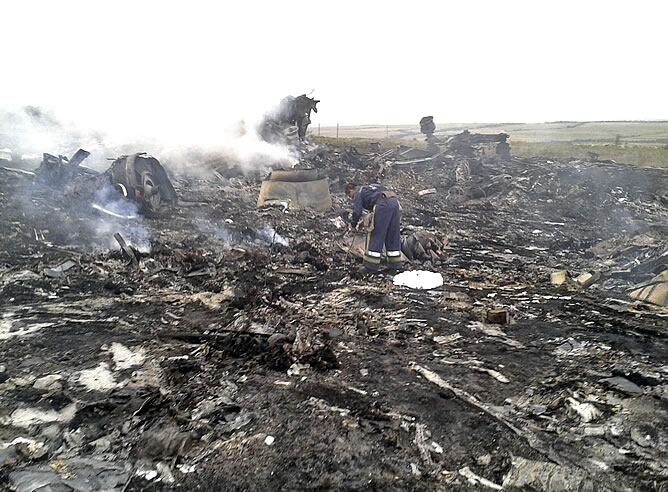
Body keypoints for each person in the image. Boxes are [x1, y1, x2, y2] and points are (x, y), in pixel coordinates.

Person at [345, 183, 402, 272]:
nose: (351, 198)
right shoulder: (369, 188)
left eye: (350, 195)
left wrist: (353, 225)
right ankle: (395, 264)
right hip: (394, 202)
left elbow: (357, 212)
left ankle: (370, 266)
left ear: (352, 189)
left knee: (376, 233)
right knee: (392, 233)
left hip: (383, 204)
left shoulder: (358, 193)